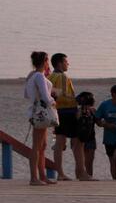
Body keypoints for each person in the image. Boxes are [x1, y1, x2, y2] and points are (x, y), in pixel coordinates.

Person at [47, 53, 91, 181]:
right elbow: (60, 95)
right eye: (66, 61)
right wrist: (77, 100)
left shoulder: (51, 76)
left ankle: (60, 173)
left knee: (60, 143)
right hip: (67, 112)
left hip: (58, 111)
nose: (68, 64)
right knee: (78, 142)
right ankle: (81, 173)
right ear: (60, 63)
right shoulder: (61, 76)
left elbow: (54, 95)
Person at [24, 51, 56, 186]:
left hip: (35, 111)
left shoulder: (32, 76)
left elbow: (26, 94)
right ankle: (34, 178)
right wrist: (53, 101)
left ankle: (42, 176)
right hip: (40, 112)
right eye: (47, 61)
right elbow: (45, 96)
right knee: (37, 146)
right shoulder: (39, 76)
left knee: (42, 145)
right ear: (44, 61)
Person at [95, 85, 116, 180]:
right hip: (109, 137)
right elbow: (97, 120)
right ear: (113, 94)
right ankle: (114, 179)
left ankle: (115, 179)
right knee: (112, 161)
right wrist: (106, 125)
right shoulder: (105, 105)